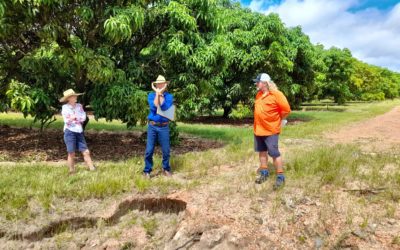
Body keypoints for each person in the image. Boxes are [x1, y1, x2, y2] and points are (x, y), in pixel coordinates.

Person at [253, 73, 291, 189]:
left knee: (274, 153)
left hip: (271, 130)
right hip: (258, 130)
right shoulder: (258, 94)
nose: (256, 83)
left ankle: (280, 176)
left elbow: (286, 110)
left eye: (257, 82)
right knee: (262, 151)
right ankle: (264, 172)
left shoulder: (277, 94)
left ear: (264, 83)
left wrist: (279, 119)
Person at [143, 75, 174, 178]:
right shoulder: (151, 95)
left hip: (164, 126)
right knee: (149, 150)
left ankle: (166, 168)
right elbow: (154, 106)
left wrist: (160, 93)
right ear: (156, 85)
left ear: (165, 85)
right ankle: (147, 170)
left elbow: (164, 108)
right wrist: (157, 93)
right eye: (158, 84)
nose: (160, 85)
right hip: (153, 126)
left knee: (166, 150)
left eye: (162, 83)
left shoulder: (169, 96)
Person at [60, 89, 96, 175]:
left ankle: (92, 169)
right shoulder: (65, 107)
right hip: (69, 132)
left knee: (86, 151)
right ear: (69, 98)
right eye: (74, 96)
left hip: (79, 131)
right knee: (71, 152)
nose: (76, 97)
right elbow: (67, 120)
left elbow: (83, 117)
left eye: (76, 95)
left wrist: (76, 118)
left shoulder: (79, 106)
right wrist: (75, 118)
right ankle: (71, 171)